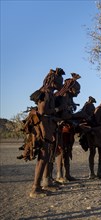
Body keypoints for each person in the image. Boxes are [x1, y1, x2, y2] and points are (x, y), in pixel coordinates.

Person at [28, 68, 64, 198]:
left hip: (48, 128)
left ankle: (43, 184)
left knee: (46, 157)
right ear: (53, 81)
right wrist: (57, 109)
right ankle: (35, 188)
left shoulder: (50, 94)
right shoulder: (45, 93)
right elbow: (42, 112)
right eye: (60, 81)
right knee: (42, 158)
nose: (61, 84)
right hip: (43, 129)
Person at [53, 73, 82, 183]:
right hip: (61, 129)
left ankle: (67, 174)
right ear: (70, 89)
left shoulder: (69, 98)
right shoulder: (64, 97)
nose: (78, 92)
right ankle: (59, 175)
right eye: (77, 90)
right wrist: (78, 116)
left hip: (68, 129)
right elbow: (64, 115)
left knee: (67, 150)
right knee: (61, 150)